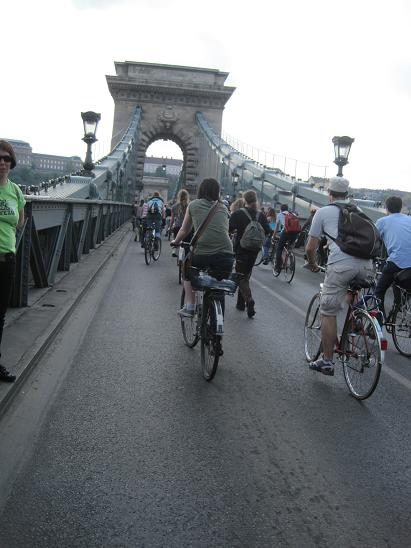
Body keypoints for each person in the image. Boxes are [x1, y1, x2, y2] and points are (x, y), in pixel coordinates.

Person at [305, 177, 374, 376]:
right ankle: (355, 321)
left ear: (330, 193)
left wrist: (313, 264)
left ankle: (327, 361)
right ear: (347, 194)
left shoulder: (323, 212)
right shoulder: (359, 211)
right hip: (368, 266)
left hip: (341, 265)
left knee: (328, 311)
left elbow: (310, 248)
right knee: (350, 292)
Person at [171, 178, 234, 317]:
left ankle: (190, 306)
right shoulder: (223, 207)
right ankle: (218, 320)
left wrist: (175, 241)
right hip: (227, 255)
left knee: (186, 269)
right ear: (217, 192)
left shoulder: (193, 205)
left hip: (203, 254)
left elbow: (184, 230)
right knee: (218, 284)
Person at [0, 140, 26, 382]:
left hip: (7, 259)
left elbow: (20, 222)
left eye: (6, 158)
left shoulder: (15, 191)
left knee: (0, 315)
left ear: (12, 162)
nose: (2, 162)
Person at [229, 190, 271, 318]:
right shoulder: (261, 215)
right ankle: (240, 304)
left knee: (240, 277)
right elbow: (268, 231)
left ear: (244, 200)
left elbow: (228, 229)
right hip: (254, 250)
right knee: (246, 275)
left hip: (241, 249)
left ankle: (249, 300)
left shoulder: (238, 213)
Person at [374, 196, 411, 317]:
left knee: (379, 291)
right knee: (402, 284)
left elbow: (373, 239)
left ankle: (379, 321)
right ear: (400, 208)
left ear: (386, 208)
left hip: (397, 261)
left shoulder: (383, 221)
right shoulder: (409, 219)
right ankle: (398, 309)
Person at [272, 204, 299, 274]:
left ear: (281, 209)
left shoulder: (279, 215)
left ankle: (277, 267)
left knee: (279, 248)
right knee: (289, 248)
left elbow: (276, 228)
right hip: (295, 234)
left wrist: (273, 236)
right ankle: (291, 263)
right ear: (287, 209)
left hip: (286, 232)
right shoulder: (293, 214)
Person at [171, 189, 190, 257]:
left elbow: (172, 220)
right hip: (187, 228)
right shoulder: (189, 206)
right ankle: (186, 257)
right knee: (187, 244)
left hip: (177, 226)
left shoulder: (174, 206)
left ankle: (175, 250)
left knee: (176, 240)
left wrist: (170, 227)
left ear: (178, 196)